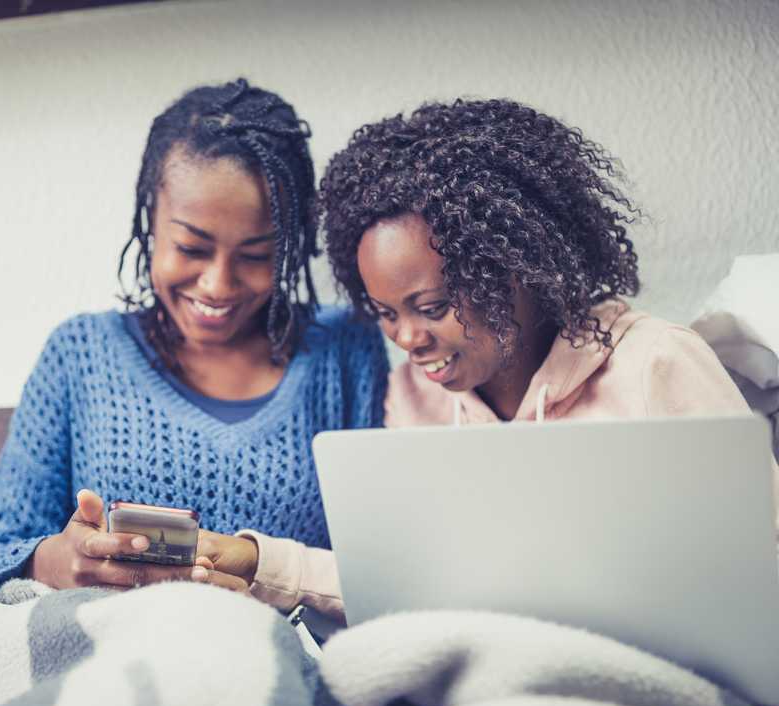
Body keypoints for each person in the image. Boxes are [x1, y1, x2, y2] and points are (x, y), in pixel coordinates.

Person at [0, 79, 389, 617]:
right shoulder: (81, 354)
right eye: (192, 247)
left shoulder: (347, 350)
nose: (218, 285)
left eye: (257, 255)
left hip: (280, 674)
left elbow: (384, 573)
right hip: (108, 669)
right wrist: (55, 562)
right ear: (150, 221)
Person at [318, 98, 779, 519]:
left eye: (432, 307)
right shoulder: (413, 397)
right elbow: (401, 570)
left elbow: (765, 540)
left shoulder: (657, 363)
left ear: (512, 271)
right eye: (387, 312)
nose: (406, 338)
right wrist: (268, 563)